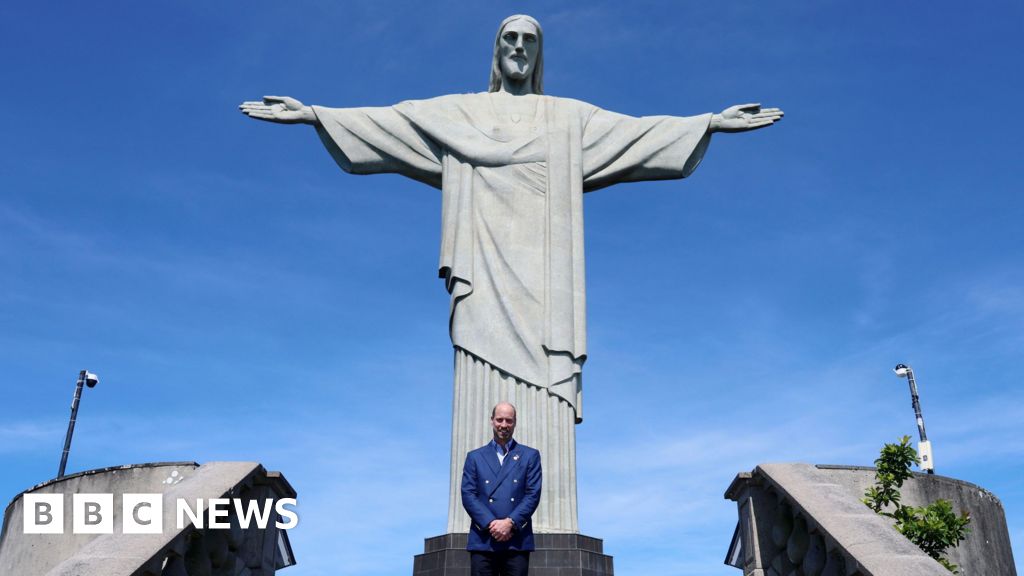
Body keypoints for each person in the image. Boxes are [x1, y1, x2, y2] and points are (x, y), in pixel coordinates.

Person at [239, 14, 783, 534]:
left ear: (539, 54)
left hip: (547, 279)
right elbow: (393, 122)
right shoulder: (461, 113)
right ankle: (473, 522)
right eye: (510, 39)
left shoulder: (567, 119)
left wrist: (708, 123)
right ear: (496, 52)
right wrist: (315, 115)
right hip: (482, 270)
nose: (519, 47)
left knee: (548, 382)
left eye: (529, 40)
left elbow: (636, 135)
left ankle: (550, 522)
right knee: (478, 374)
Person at [461, 402, 541, 576]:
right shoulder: (475, 457)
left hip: (516, 540)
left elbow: (533, 494)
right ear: (492, 420)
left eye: (508, 420)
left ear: (515, 422)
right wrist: (492, 524)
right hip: (483, 539)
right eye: (499, 420)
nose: (504, 425)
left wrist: (509, 523)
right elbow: (468, 494)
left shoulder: (530, 456)